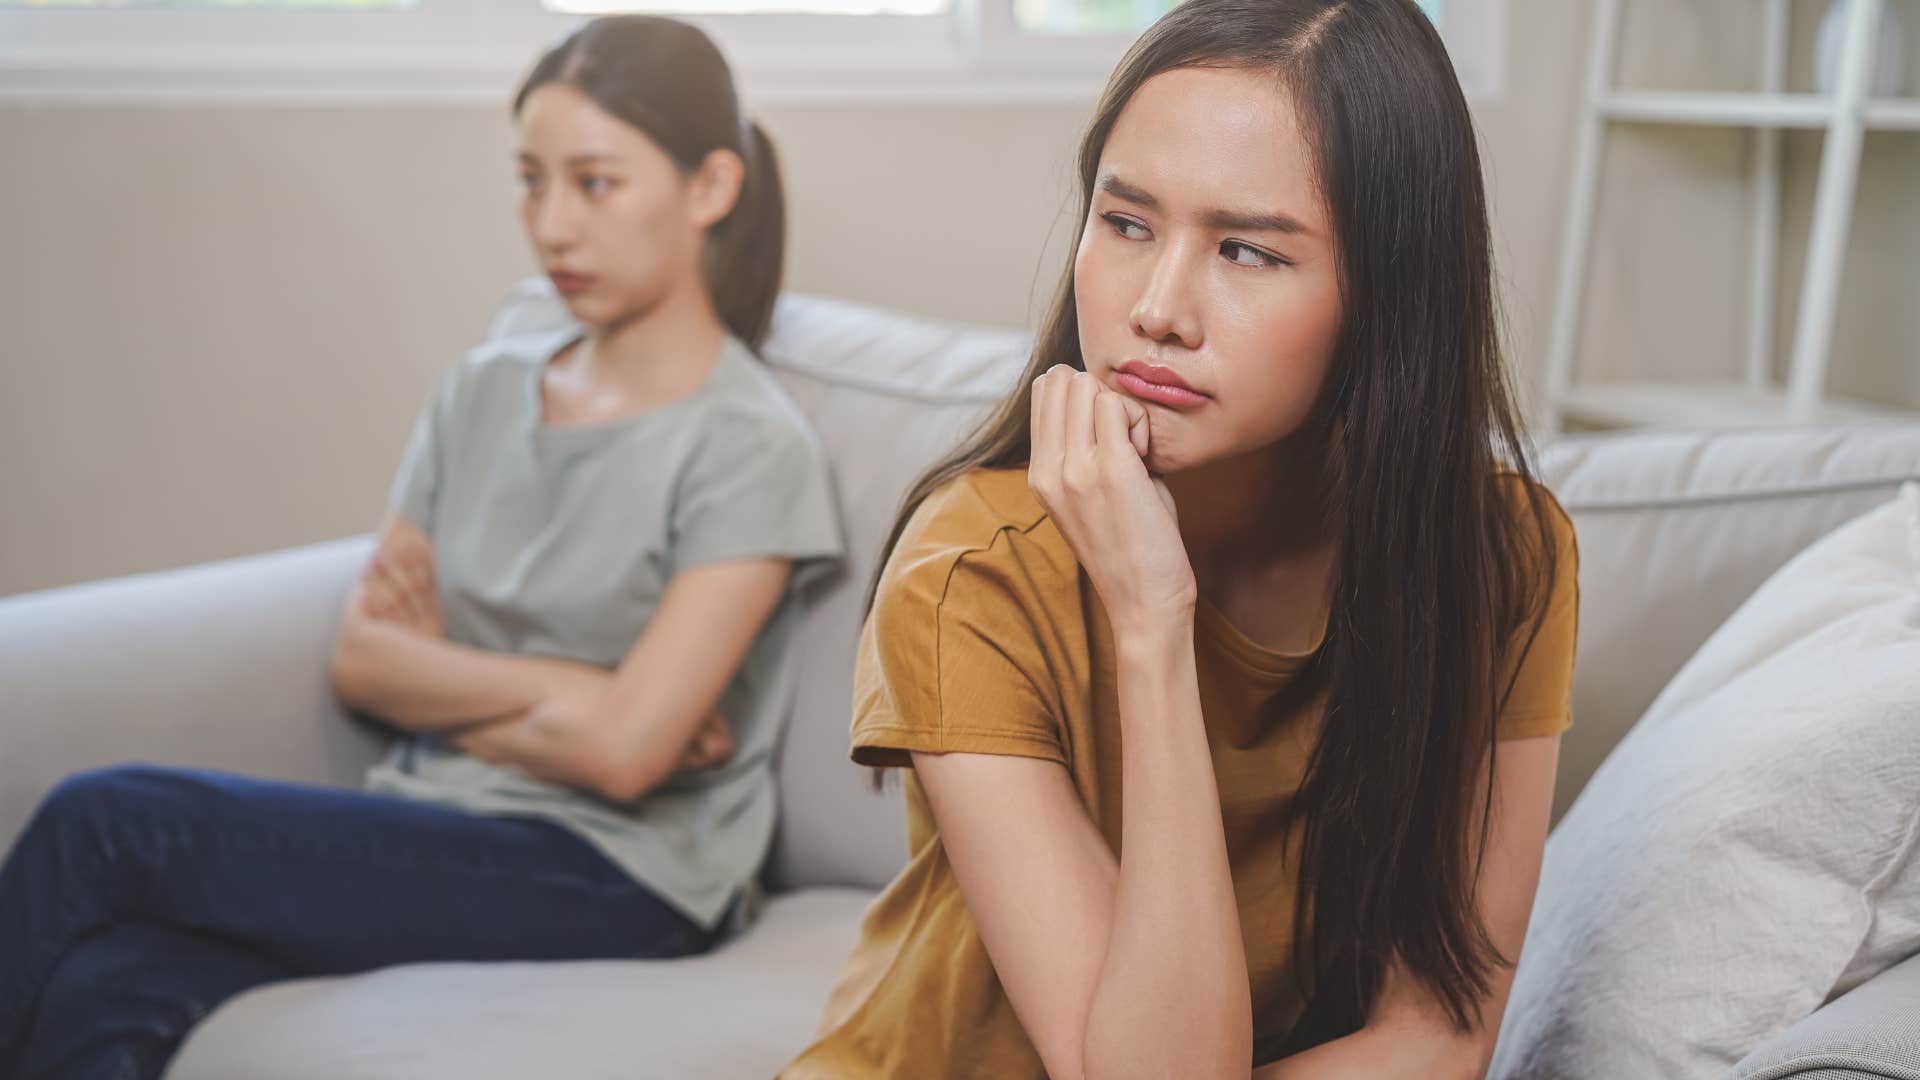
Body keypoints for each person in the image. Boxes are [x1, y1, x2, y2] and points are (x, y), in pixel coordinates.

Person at [0, 16, 841, 1079]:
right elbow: (364, 663)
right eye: (531, 182)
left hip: (625, 874)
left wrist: (460, 683)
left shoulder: (750, 445)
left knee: (108, 820)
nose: (553, 226)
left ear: (710, 186)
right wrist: (585, 695)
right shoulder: (480, 391)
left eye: (595, 183)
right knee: (109, 982)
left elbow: (626, 759)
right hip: (439, 821)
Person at [782, 1, 1578, 1076]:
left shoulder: (1499, 560)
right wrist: (1153, 622)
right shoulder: (970, 571)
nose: (1156, 309)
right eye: (1126, 224)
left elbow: (1441, 1033)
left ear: (1392, 295)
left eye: (1247, 250)